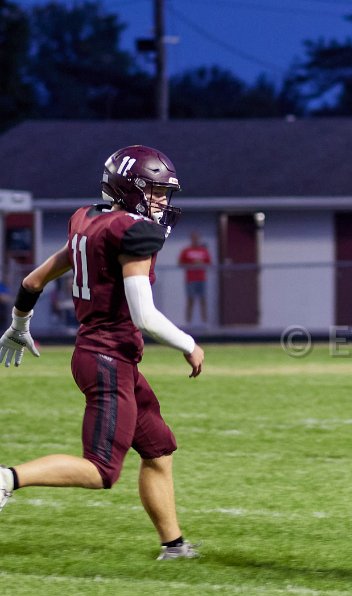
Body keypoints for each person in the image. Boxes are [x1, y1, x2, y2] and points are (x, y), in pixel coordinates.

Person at [0, 145, 205, 560]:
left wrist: (19, 324)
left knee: (159, 450)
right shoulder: (132, 231)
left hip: (107, 358)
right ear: (129, 188)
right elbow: (144, 316)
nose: (161, 201)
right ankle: (6, 478)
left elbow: (34, 280)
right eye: (154, 190)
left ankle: (174, 546)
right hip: (108, 359)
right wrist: (189, 344)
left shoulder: (89, 220)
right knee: (101, 469)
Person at [178, 231, 212, 325]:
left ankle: (205, 323)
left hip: (202, 279)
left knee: (203, 300)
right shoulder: (186, 251)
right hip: (190, 279)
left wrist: (201, 263)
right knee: (190, 300)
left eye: (197, 238)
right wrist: (191, 264)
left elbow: (209, 263)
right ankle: (188, 323)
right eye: (194, 238)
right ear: (191, 239)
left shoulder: (204, 251)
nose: (195, 240)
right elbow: (180, 263)